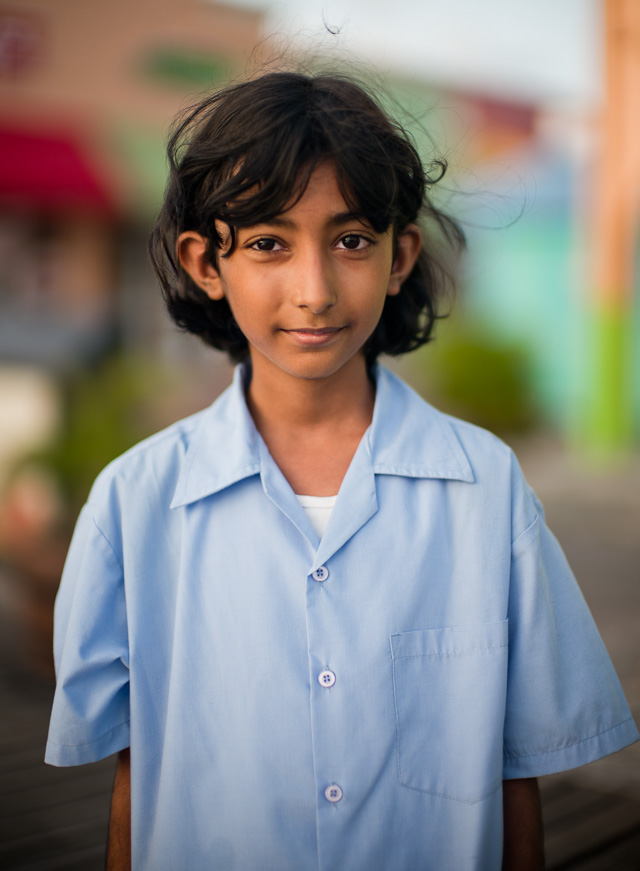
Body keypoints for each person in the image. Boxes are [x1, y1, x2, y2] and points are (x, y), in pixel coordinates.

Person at [45, 71, 638, 871]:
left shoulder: (485, 489)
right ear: (203, 263)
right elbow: (133, 774)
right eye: (267, 243)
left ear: (401, 256)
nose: (315, 290)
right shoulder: (134, 501)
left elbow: (515, 770)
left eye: (351, 240)